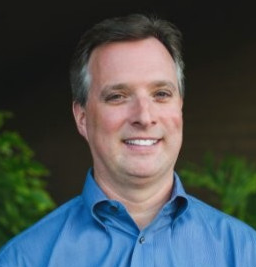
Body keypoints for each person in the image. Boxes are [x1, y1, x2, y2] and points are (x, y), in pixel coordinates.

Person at [0, 14, 255, 267]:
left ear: (180, 108)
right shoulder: (24, 259)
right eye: (118, 96)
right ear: (82, 118)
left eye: (161, 94)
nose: (144, 117)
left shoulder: (245, 252)